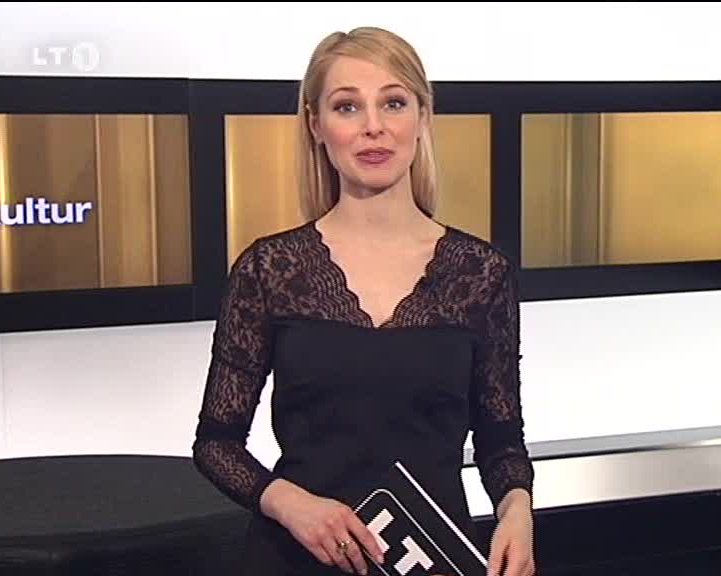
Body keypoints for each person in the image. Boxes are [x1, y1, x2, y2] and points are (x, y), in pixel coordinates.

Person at [192, 27, 536, 576]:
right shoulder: (269, 269)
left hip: (429, 559)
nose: (373, 126)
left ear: (422, 117)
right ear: (316, 125)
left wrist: (516, 511)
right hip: (295, 559)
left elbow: (501, 442)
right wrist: (292, 505)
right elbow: (216, 444)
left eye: (393, 102)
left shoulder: (481, 273)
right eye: (347, 106)